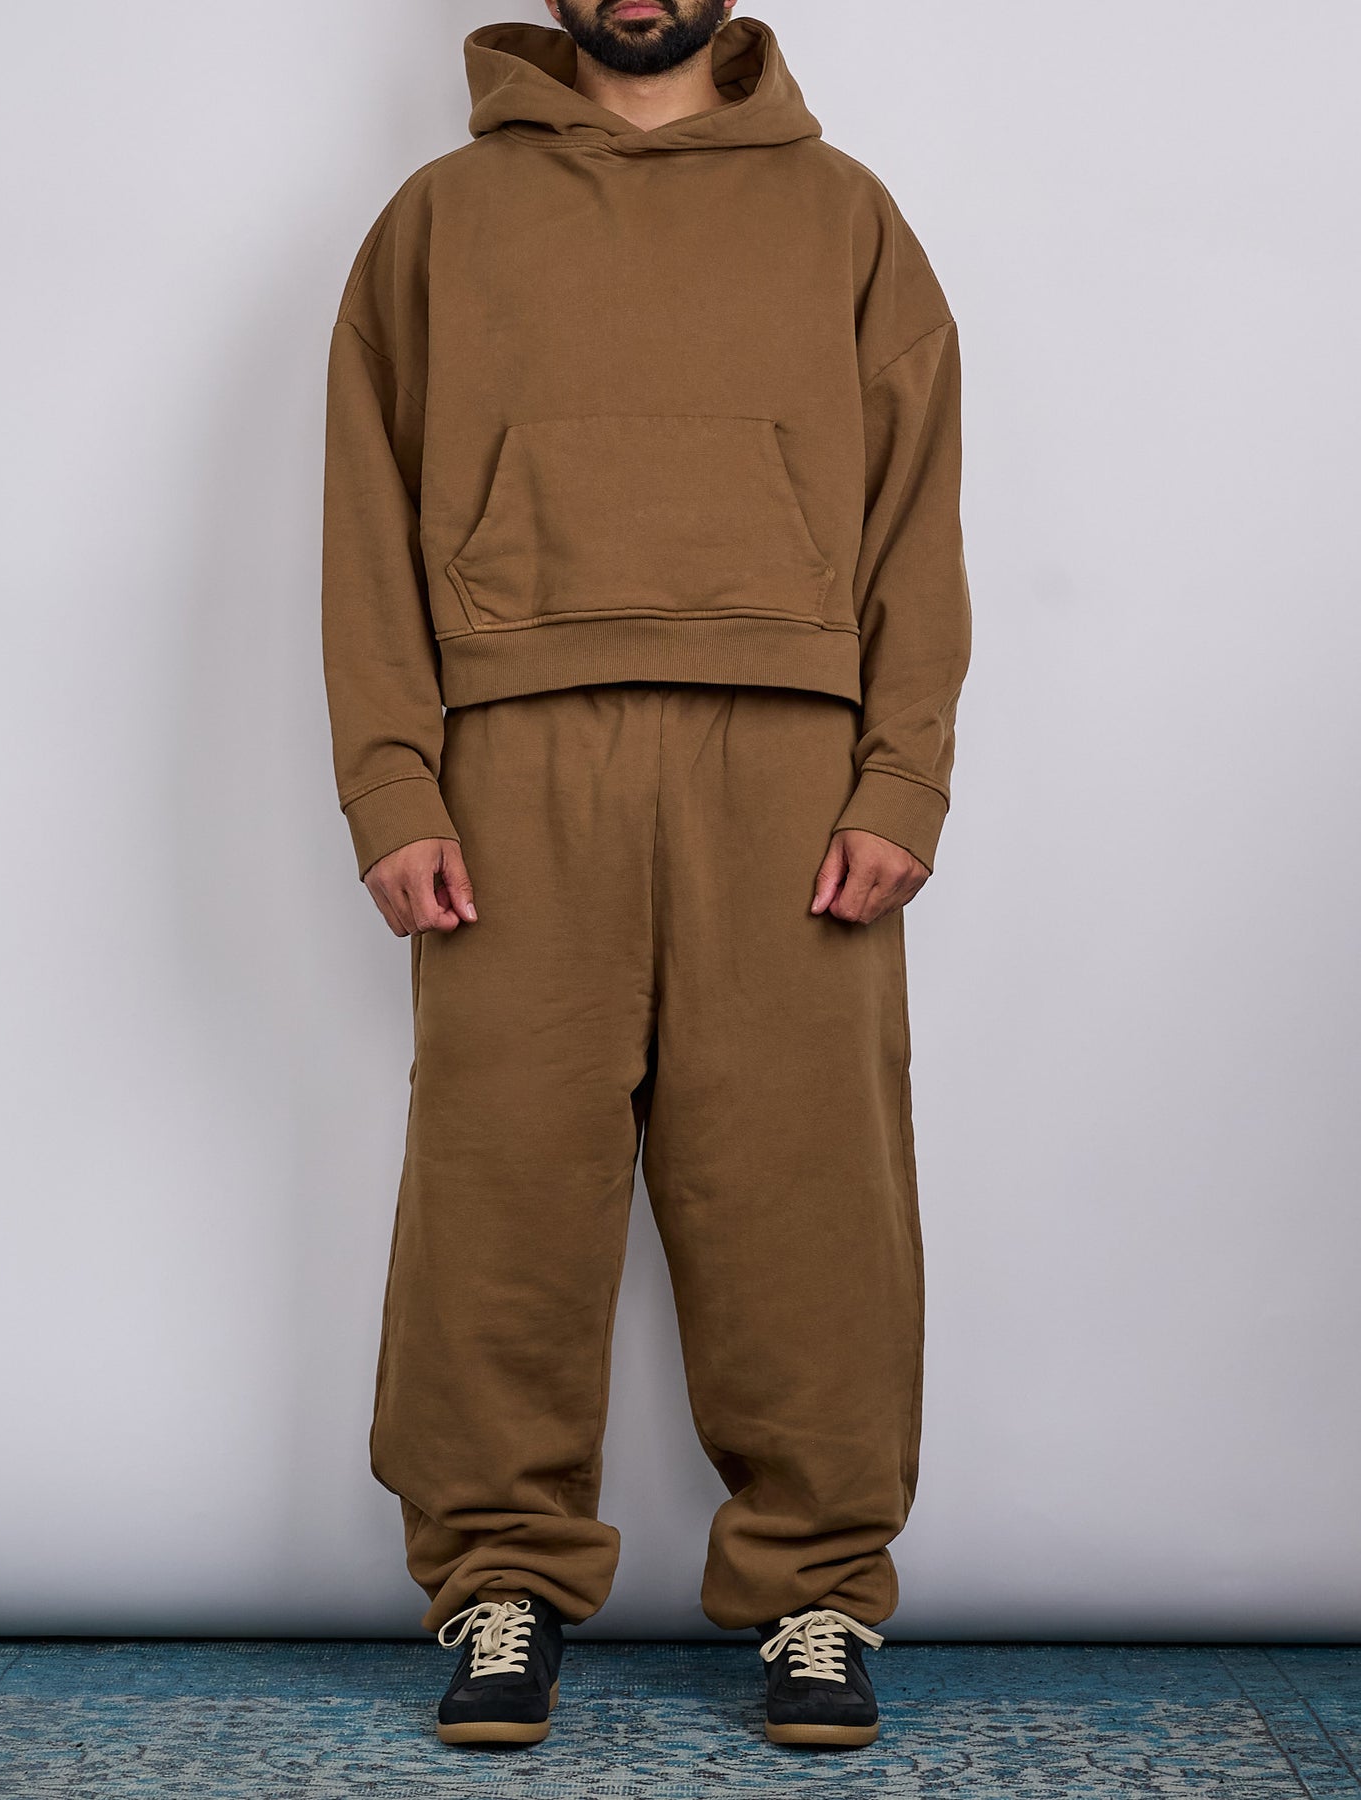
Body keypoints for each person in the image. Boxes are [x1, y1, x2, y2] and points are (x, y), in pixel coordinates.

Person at [320, 0, 971, 1752]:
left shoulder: (844, 213)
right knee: (501, 1180)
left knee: (807, 1183)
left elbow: (917, 513)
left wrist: (903, 773)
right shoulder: (440, 221)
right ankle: (499, 1581)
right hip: (512, 751)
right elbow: (364, 519)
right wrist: (392, 781)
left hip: (790, 760)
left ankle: (820, 1591)